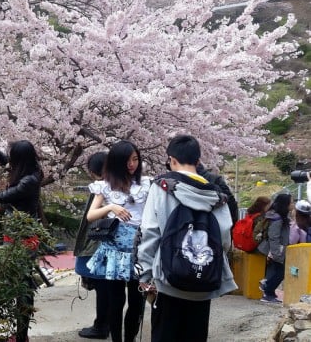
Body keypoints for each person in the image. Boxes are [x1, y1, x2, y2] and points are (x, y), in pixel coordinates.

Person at [137, 135, 237, 342]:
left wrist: (146, 274)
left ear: (171, 159)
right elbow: (225, 237)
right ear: (198, 161)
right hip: (203, 281)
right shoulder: (217, 196)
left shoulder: (162, 187)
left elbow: (150, 232)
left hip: (167, 279)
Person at [0, 139, 43, 342]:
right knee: (18, 282)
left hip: (23, 238)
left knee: (22, 285)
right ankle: (20, 333)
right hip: (16, 234)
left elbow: (2, 196)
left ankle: (22, 335)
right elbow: (9, 163)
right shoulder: (29, 171)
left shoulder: (29, 181)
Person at [85, 141, 150, 342]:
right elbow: (91, 215)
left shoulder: (147, 184)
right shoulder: (104, 186)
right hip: (113, 248)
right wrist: (111, 207)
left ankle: (129, 339)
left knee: (137, 300)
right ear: (116, 162)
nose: (132, 164)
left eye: (135, 159)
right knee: (116, 300)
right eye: (127, 160)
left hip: (139, 247)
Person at [73, 151, 110, 339]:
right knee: (109, 287)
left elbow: (92, 219)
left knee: (103, 286)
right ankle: (107, 323)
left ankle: (102, 325)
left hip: (101, 243)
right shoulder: (121, 184)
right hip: (114, 243)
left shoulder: (102, 187)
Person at [257, 193, 292, 303]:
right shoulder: (277, 219)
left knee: (277, 271)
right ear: (285, 204)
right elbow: (274, 237)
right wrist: (277, 254)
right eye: (291, 202)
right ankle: (267, 288)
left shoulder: (277, 216)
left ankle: (269, 291)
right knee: (281, 272)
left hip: (276, 249)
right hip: (276, 250)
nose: (293, 204)